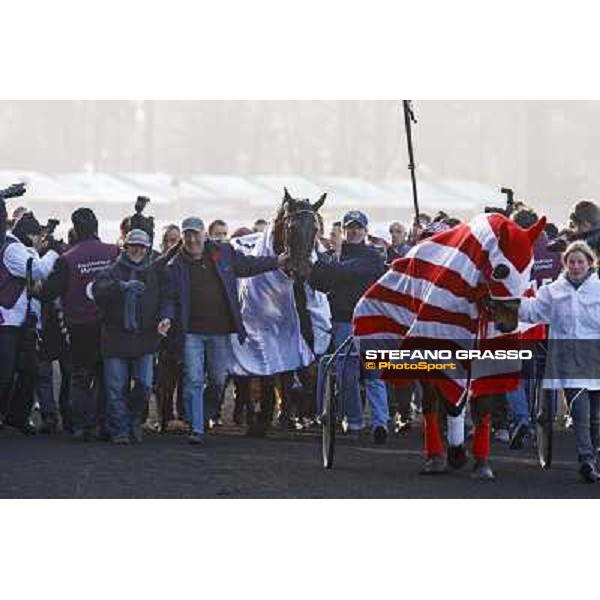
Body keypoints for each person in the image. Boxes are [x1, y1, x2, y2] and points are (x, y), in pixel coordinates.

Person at [162, 217, 289, 444]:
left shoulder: (223, 253)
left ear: (204, 235)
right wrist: (166, 317)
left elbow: (248, 265)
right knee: (193, 379)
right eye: (187, 235)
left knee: (218, 381)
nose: (191, 239)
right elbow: (170, 298)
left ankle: (203, 416)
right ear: (183, 237)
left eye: (195, 234)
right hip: (191, 332)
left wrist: (276, 262)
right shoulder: (175, 265)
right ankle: (197, 428)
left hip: (219, 331)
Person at [520, 240, 600, 482]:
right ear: (565, 263)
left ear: (590, 264)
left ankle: (594, 458)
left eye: (580, 262)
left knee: (596, 416)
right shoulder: (553, 291)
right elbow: (533, 312)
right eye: (571, 262)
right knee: (580, 411)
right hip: (568, 360)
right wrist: (510, 301)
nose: (575, 266)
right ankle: (585, 458)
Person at [36, 208, 119, 440]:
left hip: (79, 327)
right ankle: (105, 424)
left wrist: (33, 288)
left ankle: (82, 426)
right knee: (106, 378)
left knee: (80, 378)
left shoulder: (67, 259)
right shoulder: (113, 252)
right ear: (97, 226)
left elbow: (48, 292)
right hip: (108, 325)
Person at [310, 209, 390, 442]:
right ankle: (355, 421)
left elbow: (357, 270)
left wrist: (332, 266)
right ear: (344, 230)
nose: (354, 231)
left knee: (375, 375)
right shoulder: (334, 256)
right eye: (350, 227)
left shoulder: (373, 255)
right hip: (342, 322)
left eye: (358, 227)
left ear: (365, 231)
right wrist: (331, 263)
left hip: (371, 322)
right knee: (348, 375)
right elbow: (317, 280)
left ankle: (380, 423)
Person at [91, 229, 170, 444]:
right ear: (125, 247)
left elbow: (166, 299)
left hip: (145, 338)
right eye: (133, 245)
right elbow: (98, 291)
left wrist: (165, 317)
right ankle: (120, 430)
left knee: (144, 386)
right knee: (115, 388)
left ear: (148, 248)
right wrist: (121, 287)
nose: (138, 250)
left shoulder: (155, 272)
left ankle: (133, 420)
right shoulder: (112, 270)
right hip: (115, 338)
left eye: (142, 246)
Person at [0, 212, 60, 433]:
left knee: (26, 372)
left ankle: (15, 418)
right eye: (37, 236)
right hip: (10, 321)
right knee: (8, 374)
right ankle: (13, 417)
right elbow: (39, 269)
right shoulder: (13, 249)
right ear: (30, 234)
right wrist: (53, 252)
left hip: (20, 322)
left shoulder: (16, 248)